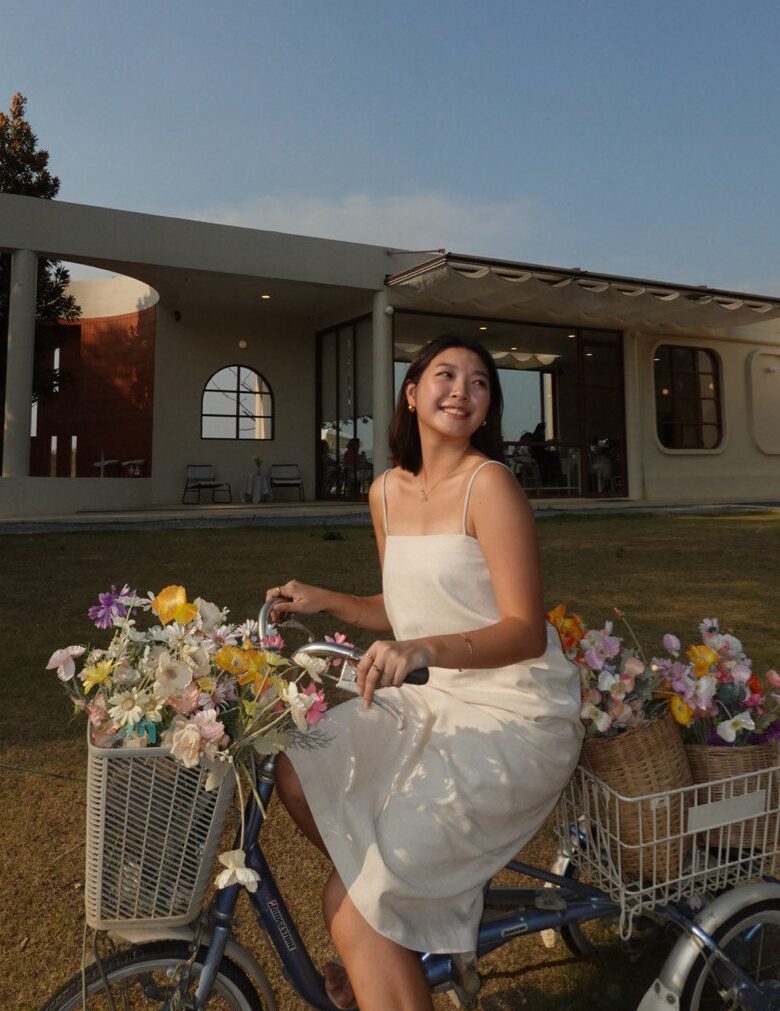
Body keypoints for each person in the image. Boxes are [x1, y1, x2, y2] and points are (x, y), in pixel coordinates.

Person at [266, 336, 583, 1011]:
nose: (461, 390)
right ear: (411, 392)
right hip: (429, 695)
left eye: (478, 382)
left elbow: (524, 628)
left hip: (511, 712)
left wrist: (426, 651)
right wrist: (328, 600)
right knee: (297, 767)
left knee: (353, 907)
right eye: (445, 375)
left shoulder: (489, 484)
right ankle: (398, 918)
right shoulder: (385, 491)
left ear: (488, 405)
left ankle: (381, 923)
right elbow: (403, 605)